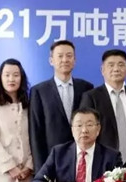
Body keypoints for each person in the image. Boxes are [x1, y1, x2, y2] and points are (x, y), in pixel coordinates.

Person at [29, 40, 94, 173]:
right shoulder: (39, 91)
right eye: (60, 56)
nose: (65, 60)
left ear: (74, 60)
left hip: (83, 158)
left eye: (69, 56)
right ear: (51, 60)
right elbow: (36, 132)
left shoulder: (86, 88)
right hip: (52, 160)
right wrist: (41, 169)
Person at [33, 108, 122, 182]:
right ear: (72, 130)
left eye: (89, 125)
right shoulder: (58, 153)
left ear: (98, 129)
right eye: (79, 125)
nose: (84, 130)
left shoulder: (112, 157)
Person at [79, 49, 126, 167]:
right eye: (111, 65)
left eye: (121, 65)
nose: (116, 69)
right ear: (103, 70)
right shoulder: (91, 97)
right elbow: (85, 130)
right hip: (103, 162)